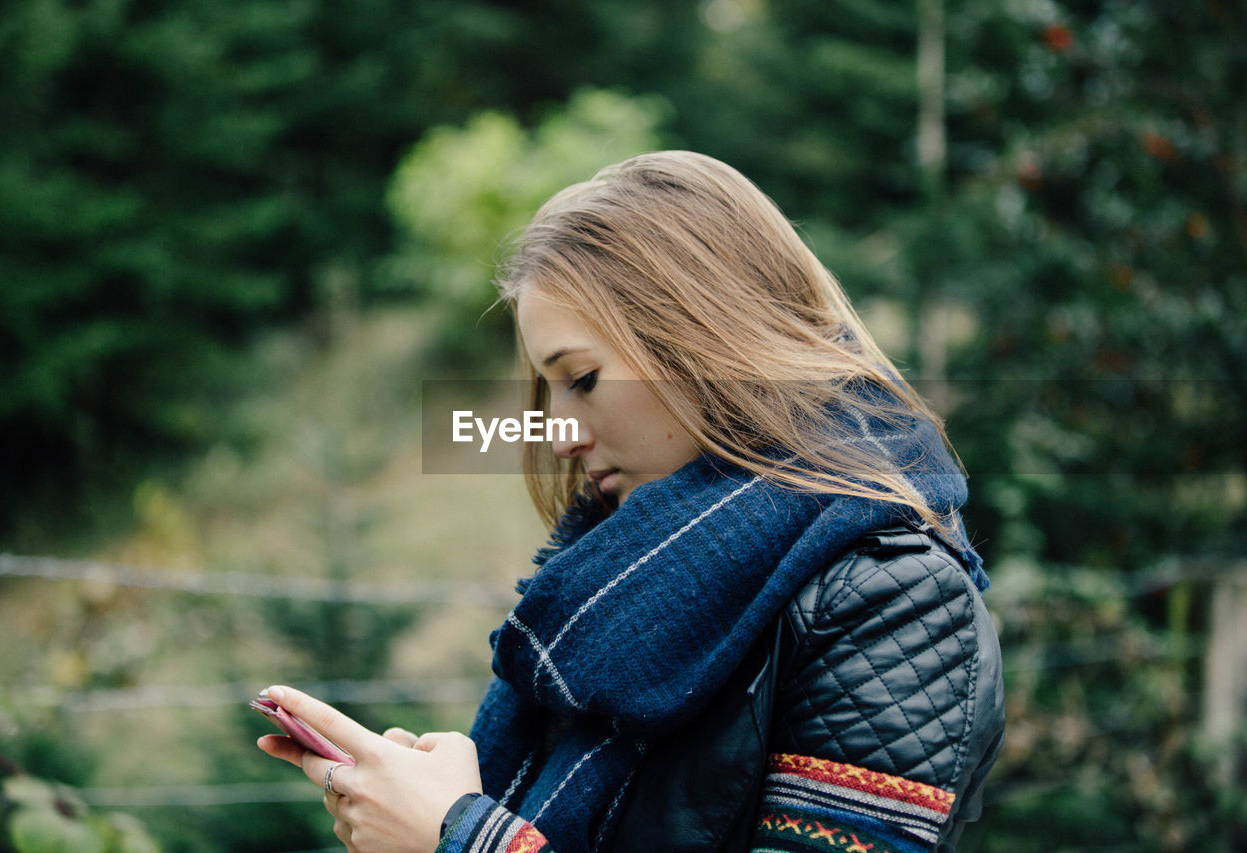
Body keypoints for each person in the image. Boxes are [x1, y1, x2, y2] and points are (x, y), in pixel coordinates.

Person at [257, 151, 1005, 853]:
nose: (556, 435)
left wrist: (461, 834)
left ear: (706, 339)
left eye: (581, 379)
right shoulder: (622, 586)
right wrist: (439, 798)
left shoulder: (896, 599)